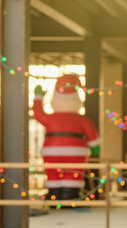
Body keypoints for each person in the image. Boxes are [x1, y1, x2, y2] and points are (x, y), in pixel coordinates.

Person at [33, 74, 100, 202]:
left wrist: (38, 98)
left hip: (51, 151)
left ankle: (54, 198)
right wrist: (96, 149)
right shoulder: (82, 120)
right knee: (73, 175)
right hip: (76, 152)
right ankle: (70, 199)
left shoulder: (50, 118)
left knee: (53, 174)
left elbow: (38, 114)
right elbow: (92, 136)